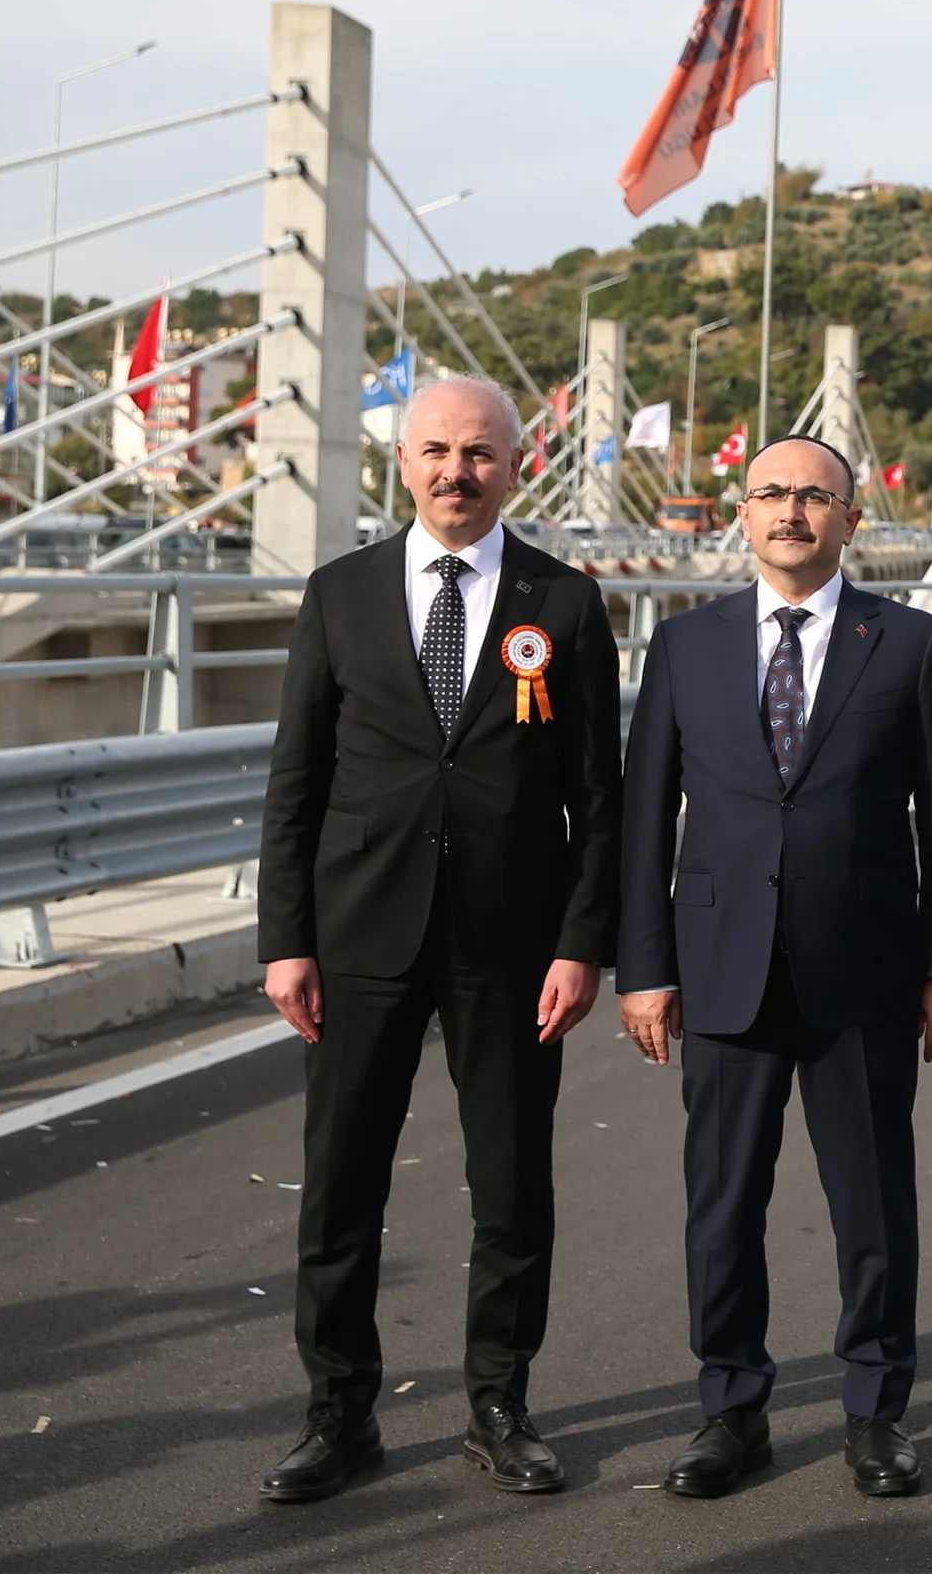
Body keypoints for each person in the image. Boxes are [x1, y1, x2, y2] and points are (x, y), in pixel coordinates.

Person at [255, 375, 621, 1502]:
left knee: (511, 1184)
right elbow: (297, 781)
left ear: (518, 465)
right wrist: (287, 938)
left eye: (480, 454)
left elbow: (600, 796)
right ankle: (338, 1412)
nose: (457, 472)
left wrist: (581, 943)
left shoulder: (564, 601)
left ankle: (500, 1406)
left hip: (512, 946)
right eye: (436, 452)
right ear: (401, 462)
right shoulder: (340, 594)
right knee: (340, 1184)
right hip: (362, 933)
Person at [618, 434, 932, 1500]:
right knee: (722, 1202)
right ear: (742, 510)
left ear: (851, 520)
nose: (791, 510)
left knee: (872, 1202)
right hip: (721, 967)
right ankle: (731, 1409)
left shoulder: (908, 644)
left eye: (814, 495)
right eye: (771, 492)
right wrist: (643, 967)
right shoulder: (686, 648)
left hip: (864, 970)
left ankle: (875, 1413)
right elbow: (645, 823)